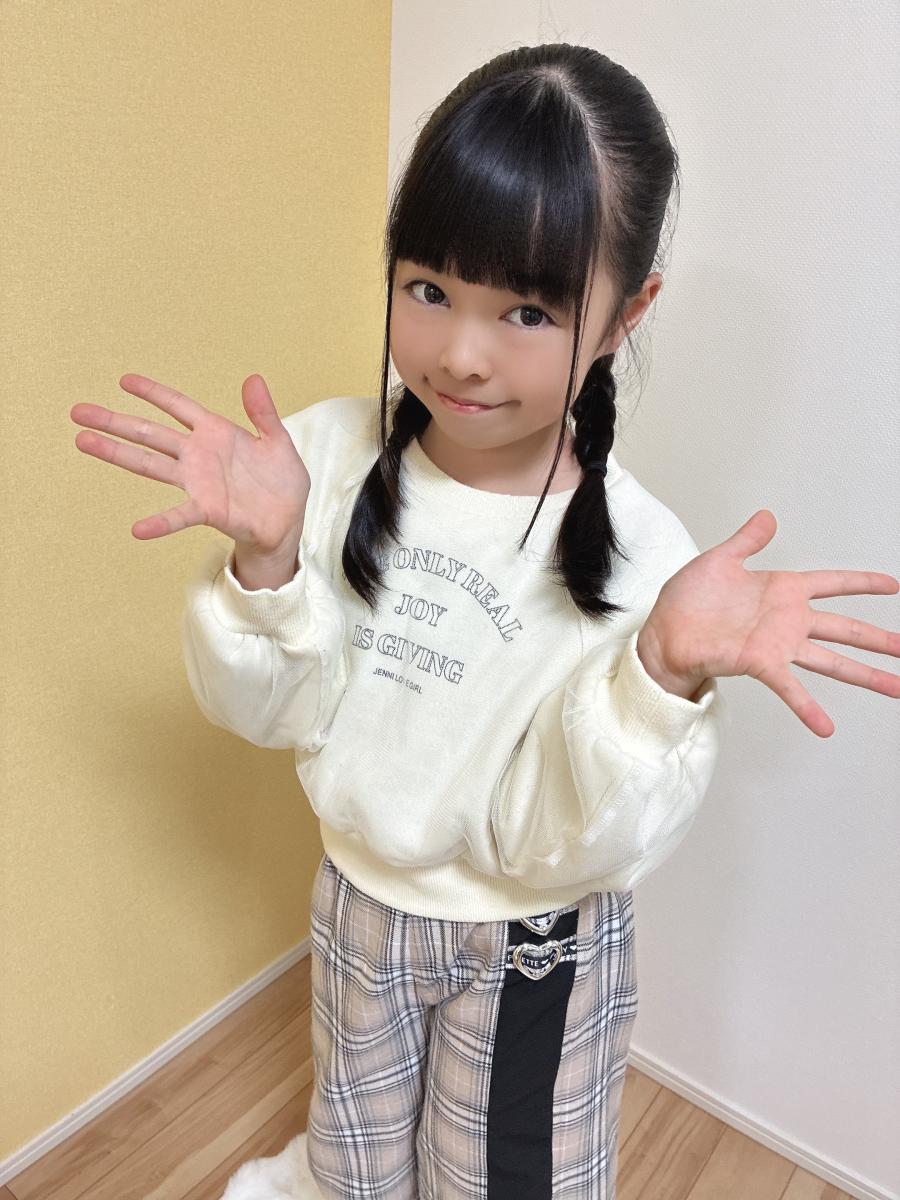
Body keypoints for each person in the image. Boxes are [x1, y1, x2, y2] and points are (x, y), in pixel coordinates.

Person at [69, 42, 899, 1200]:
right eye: (428, 289)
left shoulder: (651, 565)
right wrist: (266, 559)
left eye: (526, 310)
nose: (461, 353)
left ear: (624, 317)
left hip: (529, 950)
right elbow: (271, 714)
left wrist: (659, 673)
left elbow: (580, 845)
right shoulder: (320, 460)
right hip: (356, 903)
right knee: (355, 1165)